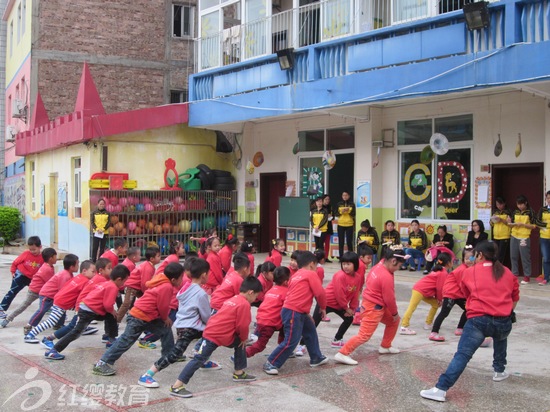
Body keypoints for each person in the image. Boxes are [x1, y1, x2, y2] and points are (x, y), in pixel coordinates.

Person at [420, 241, 520, 403]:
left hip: (478, 321)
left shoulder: (469, 272)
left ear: (480, 255)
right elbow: (514, 297)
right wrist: (505, 312)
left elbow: (467, 295)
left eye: (475, 255)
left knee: (462, 355)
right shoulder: (507, 272)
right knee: (500, 338)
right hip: (503, 320)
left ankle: (440, 389)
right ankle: (499, 371)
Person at [169, 276, 262, 398]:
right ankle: (176, 386)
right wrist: (244, 338)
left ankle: (239, 373)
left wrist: (242, 338)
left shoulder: (233, 299)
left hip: (217, 333)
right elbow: (243, 326)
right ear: (251, 292)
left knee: (240, 342)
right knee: (198, 359)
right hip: (214, 335)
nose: (254, 299)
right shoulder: (244, 304)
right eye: (255, 297)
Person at [92, 262, 185, 376]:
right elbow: (163, 306)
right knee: (125, 341)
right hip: (139, 317)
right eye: (181, 277)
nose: (182, 280)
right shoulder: (167, 286)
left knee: (165, 330)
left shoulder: (162, 279)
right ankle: (102, 363)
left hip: (147, 316)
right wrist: (165, 318)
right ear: (174, 279)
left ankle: (169, 355)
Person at [136, 258, 211, 388]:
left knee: (210, 338)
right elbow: (205, 315)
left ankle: (203, 359)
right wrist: (210, 323)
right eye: (208, 273)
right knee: (174, 354)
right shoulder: (201, 294)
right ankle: (147, 375)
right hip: (190, 328)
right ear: (204, 275)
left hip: (183, 325)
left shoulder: (185, 287)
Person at [334, 247, 405, 365]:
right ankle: (342, 353)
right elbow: (389, 299)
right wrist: (394, 313)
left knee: (394, 321)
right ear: (393, 261)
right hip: (374, 308)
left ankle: (385, 346)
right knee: (364, 335)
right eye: (399, 266)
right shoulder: (386, 276)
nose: (398, 268)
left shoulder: (378, 265)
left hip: (373, 304)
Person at [43, 265, 130, 360]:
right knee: (76, 332)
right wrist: (113, 311)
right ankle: (53, 351)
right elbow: (108, 305)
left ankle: (111, 339)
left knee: (111, 316)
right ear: (119, 279)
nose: (125, 284)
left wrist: (111, 312)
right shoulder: (113, 287)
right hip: (87, 311)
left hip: (91, 309)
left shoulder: (107, 283)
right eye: (125, 281)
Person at [263, 251, 328, 375]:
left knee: (310, 331)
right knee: (291, 341)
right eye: (316, 265)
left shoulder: (296, 275)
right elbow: (320, 293)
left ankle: (316, 357)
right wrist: (323, 308)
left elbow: (296, 295)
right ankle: (271, 362)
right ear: (312, 264)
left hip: (296, 311)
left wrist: (306, 313)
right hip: (294, 312)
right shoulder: (311, 274)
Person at [24, 260, 96, 344]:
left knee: (53, 321)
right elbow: (80, 297)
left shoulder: (78, 277)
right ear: (84, 271)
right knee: (51, 322)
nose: (94, 274)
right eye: (93, 272)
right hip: (62, 303)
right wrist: (77, 310)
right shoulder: (85, 281)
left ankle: (83, 327)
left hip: (60, 300)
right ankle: (30, 335)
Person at [312, 251, 364, 348]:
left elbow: (355, 293)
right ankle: (302, 344)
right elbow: (339, 294)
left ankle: (337, 339)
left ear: (355, 264)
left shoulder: (358, 277)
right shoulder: (340, 275)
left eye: (348, 264)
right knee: (314, 323)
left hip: (339, 304)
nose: (345, 266)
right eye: (343, 264)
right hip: (326, 302)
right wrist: (346, 308)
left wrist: (352, 309)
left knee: (349, 319)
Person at [23, 254, 79, 335]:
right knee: (42, 310)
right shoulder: (65, 275)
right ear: (71, 267)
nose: (78, 266)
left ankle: (59, 325)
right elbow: (63, 291)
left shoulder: (69, 274)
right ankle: (29, 325)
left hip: (54, 296)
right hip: (47, 295)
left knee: (62, 309)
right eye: (77, 264)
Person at [1, 248, 57, 328]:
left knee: (52, 305)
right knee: (27, 306)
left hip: (40, 290)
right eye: (55, 256)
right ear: (51, 258)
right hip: (36, 291)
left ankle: (58, 323)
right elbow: (52, 283)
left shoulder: (48, 266)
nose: (56, 258)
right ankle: (8, 320)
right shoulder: (47, 269)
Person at [400, 252, 453, 335]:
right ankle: (404, 326)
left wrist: (438, 299)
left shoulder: (439, 270)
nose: (452, 263)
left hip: (424, 291)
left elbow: (437, 287)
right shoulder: (443, 273)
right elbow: (439, 288)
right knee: (412, 307)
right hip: (419, 290)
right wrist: (439, 299)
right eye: (452, 261)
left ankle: (428, 323)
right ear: (448, 263)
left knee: (435, 304)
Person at [429, 247, 475, 341]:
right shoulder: (462, 270)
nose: (469, 261)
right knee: (444, 313)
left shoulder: (471, 269)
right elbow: (463, 285)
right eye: (467, 258)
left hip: (459, 295)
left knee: (469, 308)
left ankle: (460, 328)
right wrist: (470, 296)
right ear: (463, 260)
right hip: (451, 294)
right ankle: (434, 332)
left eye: (472, 258)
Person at [246, 267, 290, 359]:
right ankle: (242, 355)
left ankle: (282, 349)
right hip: (269, 323)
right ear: (286, 281)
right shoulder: (286, 293)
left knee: (284, 328)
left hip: (261, 319)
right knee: (260, 345)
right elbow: (288, 309)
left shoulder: (271, 290)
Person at [0, 236, 44, 318]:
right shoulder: (26, 254)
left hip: (32, 278)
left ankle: (46, 307)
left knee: (42, 291)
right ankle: (1, 309)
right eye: (30, 249)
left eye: (34, 249)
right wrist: (13, 271)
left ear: (40, 247)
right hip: (20, 276)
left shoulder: (42, 258)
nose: (32, 251)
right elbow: (15, 263)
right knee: (12, 291)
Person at [116, 246, 161, 323]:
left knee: (145, 302)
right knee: (126, 304)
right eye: (158, 256)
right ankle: (116, 320)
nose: (160, 258)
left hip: (137, 287)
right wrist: (147, 293)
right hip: (132, 286)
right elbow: (144, 283)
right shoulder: (148, 267)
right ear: (152, 259)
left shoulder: (150, 265)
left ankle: (145, 317)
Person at [509, 194, 536, 284]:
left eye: (521, 204)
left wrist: (524, 225)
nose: (519, 206)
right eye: (518, 204)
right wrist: (509, 222)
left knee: (525, 257)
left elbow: (534, 226)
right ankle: (514, 274)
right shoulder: (515, 212)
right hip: (514, 235)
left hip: (524, 237)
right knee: (513, 256)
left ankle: (527, 276)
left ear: (525, 203)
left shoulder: (530, 212)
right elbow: (511, 223)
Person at [490, 197, 512, 266]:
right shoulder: (495, 211)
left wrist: (501, 219)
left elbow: (510, 224)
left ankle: (499, 269)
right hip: (496, 235)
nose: (499, 206)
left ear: (504, 203)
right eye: (497, 204)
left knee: (501, 254)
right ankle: (496, 268)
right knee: (495, 253)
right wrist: (492, 220)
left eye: (500, 204)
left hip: (505, 235)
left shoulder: (508, 212)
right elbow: (491, 224)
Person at [536, 191, 550, 286]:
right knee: (546, 258)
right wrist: (547, 225)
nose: (549, 199)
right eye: (548, 198)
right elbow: (537, 221)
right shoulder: (542, 209)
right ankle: (546, 278)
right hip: (544, 237)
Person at [336, 191, 355, 257]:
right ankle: (341, 257)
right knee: (341, 242)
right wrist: (342, 211)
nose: (345, 197)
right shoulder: (339, 204)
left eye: (346, 195)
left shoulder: (352, 204)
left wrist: (348, 211)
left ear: (349, 196)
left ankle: (351, 256)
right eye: (343, 195)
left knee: (349, 241)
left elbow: (354, 214)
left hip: (349, 224)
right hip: (341, 224)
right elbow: (336, 214)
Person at [322, 194, 334, 262]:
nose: (327, 201)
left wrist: (331, 216)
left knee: (327, 243)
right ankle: (321, 257)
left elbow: (333, 216)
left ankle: (326, 257)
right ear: (323, 200)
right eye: (326, 199)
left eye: (328, 199)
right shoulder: (321, 207)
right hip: (322, 226)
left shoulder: (330, 207)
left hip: (328, 226)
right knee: (321, 243)